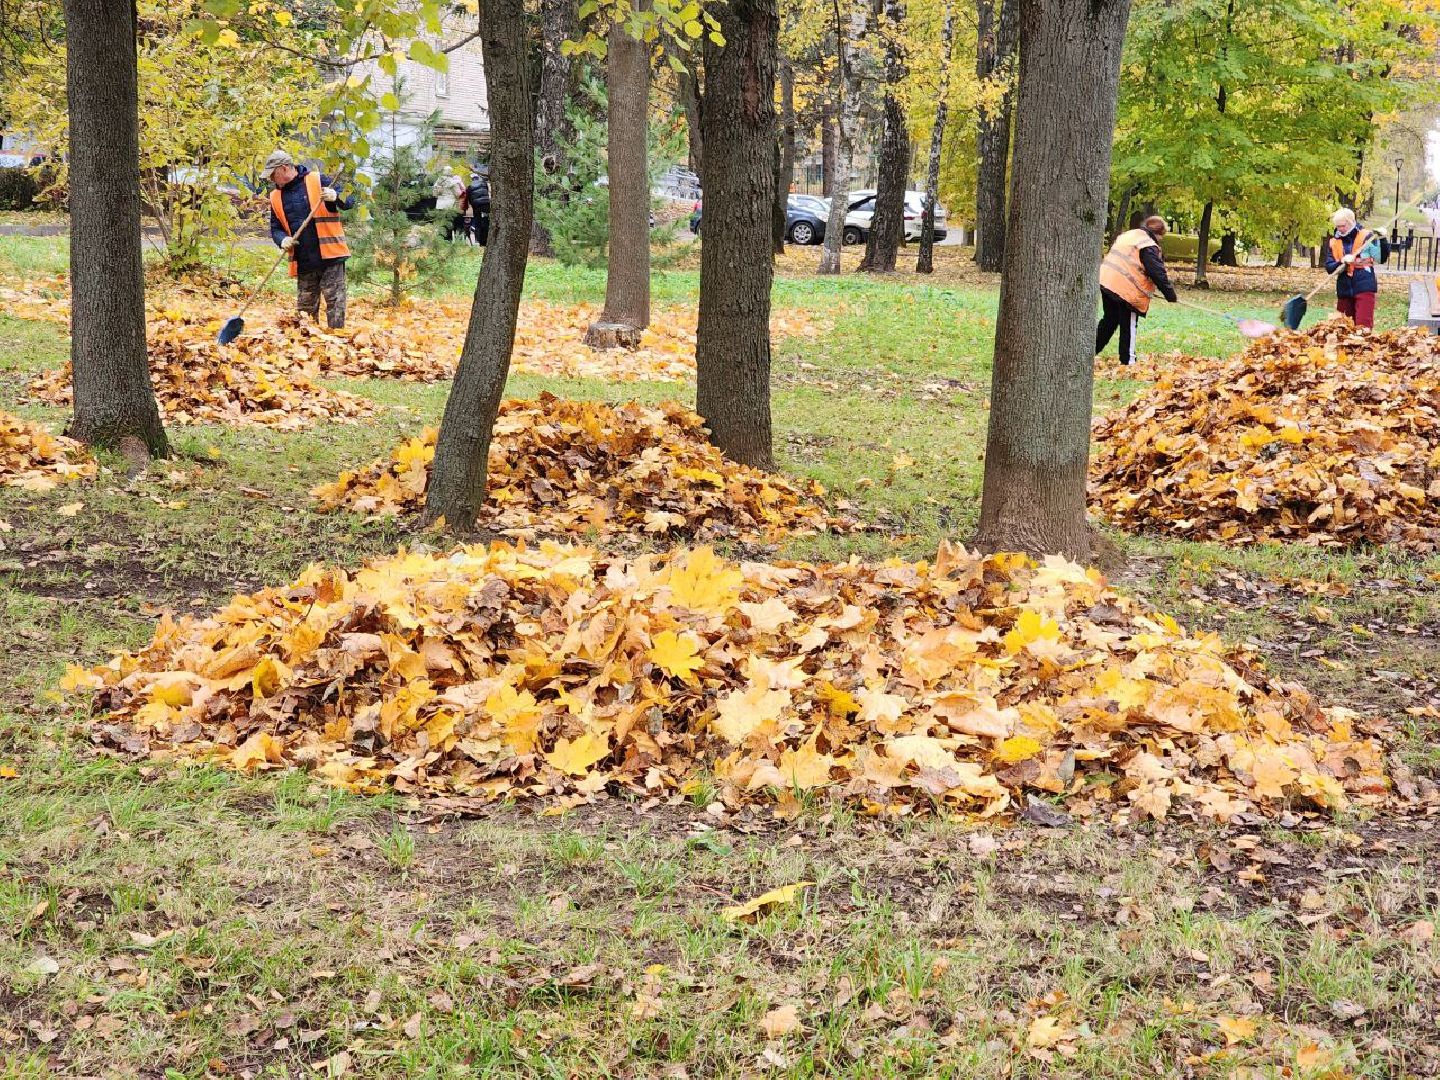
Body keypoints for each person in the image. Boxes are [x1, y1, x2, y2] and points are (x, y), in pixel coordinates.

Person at [264, 149, 353, 329]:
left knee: (335, 304)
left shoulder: (318, 180)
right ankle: (307, 341)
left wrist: (335, 196)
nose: (271, 179)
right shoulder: (275, 196)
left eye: (273, 174)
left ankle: (337, 340)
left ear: (284, 168)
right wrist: (282, 240)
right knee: (305, 312)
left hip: (330, 257)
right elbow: (275, 228)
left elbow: (349, 201)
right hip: (304, 261)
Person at [1096, 215, 1178, 367]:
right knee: (1128, 325)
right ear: (1159, 233)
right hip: (1126, 290)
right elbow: (1157, 272)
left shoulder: (1130, 235)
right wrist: (1170, 294)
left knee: (1109, 321)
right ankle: (1128, 362)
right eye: (1162, 236)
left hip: (1107, 281)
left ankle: (1089, 352)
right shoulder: (1148, 245)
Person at [1324, 208, 1381, 329]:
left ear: (1351, 222)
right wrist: (1342, 261)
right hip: (1344, 289)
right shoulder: (1334, 242)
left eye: (1342, 226)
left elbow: (1379, 256)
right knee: (1343, 329)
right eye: (1337, 226)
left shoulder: (1367, 236)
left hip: (1364, 285)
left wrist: (1382, 239)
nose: (1340, 229)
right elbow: (1329, 267)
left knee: (1363, 327)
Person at [433, 167, 467, 242]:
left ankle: (443, 240)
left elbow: (434, 194)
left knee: (442, 223)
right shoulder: (453, 182)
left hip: (440, 205)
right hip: (450, 205)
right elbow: (458, 194)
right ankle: (452, 241)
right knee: (451, 223)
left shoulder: (437, 182)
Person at [465, 166, 491, 247]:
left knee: (477, 222)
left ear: (472, 179)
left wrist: (470, 206)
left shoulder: (469, 186)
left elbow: (468, 198)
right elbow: (487, 193)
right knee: (487, 220)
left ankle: (479, 240)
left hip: (476, 205)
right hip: (486, 203)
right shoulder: (484, 183)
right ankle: (487, 238)